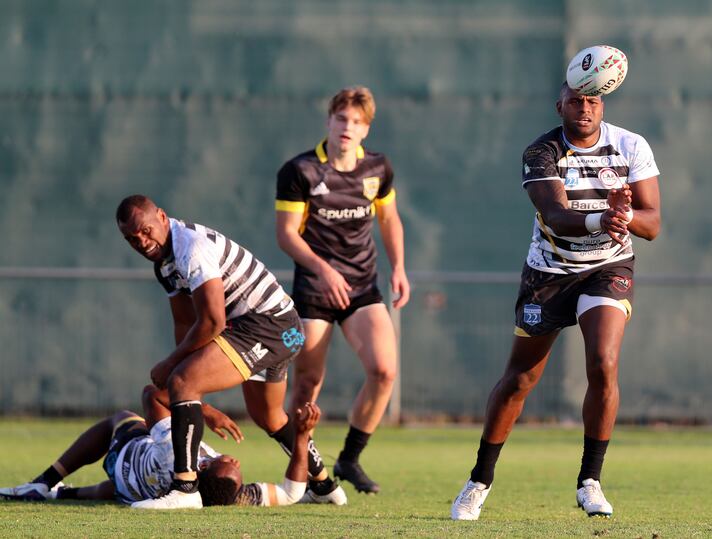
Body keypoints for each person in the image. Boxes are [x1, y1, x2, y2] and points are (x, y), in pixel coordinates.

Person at [451, 82, 661, 520]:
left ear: (602, 104)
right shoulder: (541, 152)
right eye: (576, 101)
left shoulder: (630, 144)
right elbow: (557, 217)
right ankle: (478, 481)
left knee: (603, 363)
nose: (585, 108)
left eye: (593, 100)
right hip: (548, 274)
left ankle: (590, 482)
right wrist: (605, 215)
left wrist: (625, 216)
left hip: (608, 268)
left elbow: (653, 223)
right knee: (521, 379)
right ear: (559, 106)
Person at [113, 194, 341, 509]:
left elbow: (212, 321)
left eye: (145, 230)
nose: (141, 241)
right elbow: (184, 323)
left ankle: (185, 487)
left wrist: (175, 369)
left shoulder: (190, 247)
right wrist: (185, 379)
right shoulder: (164, 265)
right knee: (268, 416)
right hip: (274, 329)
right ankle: (324, 485)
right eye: (131, 238)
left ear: (162, 217)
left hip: (269, 325)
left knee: (182, 382)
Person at [275, 86, 411, 494]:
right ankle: (308, 465)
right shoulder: (300, 171)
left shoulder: (378, 169)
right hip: (315, 291)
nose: (347, 127)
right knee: (306, 383)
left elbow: (389, 220)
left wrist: (400, 268)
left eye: (356, 121)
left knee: (385, 370)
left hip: (362, 288)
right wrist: (323, 269)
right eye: (341, 119)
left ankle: (349, 459)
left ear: (366, 128)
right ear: (329, 122)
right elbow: (285, 235)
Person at [0, 384, 321, 507]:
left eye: (229, 463)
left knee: (122, 419)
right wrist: (302, 437)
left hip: (126, 453)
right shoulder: (232, 498)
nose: (236, 462)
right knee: (114, 491)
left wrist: (202, 410)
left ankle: (45, 483)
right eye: (238, 469)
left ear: (203, 466)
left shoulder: (177, 453)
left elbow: (151, 393)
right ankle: (64, 494)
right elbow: (293, 491)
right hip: (131, 490)